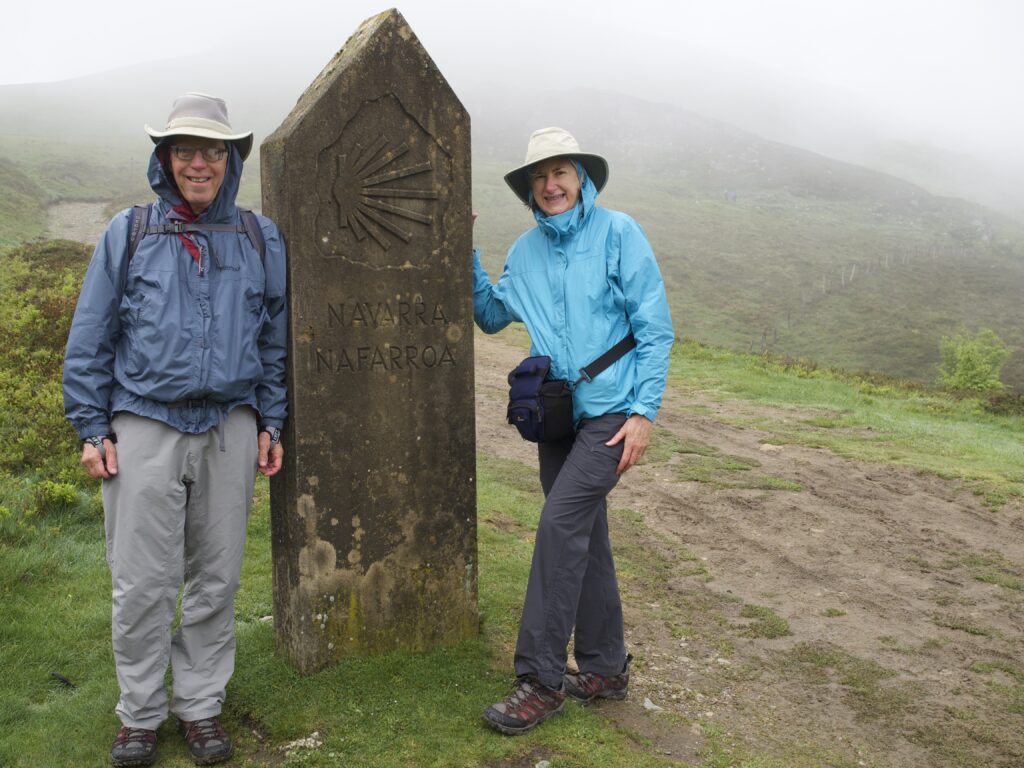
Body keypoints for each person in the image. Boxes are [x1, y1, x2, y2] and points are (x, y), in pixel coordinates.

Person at [63, 92, 288, 767]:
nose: (198, 163)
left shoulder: (258, 236)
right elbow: (90, 337)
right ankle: (139, 712)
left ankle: (200, 705)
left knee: (217, 578)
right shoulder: (127, 232)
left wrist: (271, 419)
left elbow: (274, 338)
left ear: (230, 159)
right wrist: (91, 426)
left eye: (212, 151)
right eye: (185, 150)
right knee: (142, 581)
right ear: (164, 158)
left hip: (231, 423)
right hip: (144, 421)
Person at [473, 127, 674, 734]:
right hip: (557, 416)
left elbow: (655, 328)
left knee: (560, 527)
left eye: (560, 172)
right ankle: (606, 667)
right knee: (587, 538)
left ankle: (539, 679)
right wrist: (462, 251)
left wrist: (644, 412)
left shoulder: (619, 234)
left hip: (612, 413)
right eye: (539, 176)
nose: (550, 185)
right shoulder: (526, 251)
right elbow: (489, 315)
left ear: (582, 179)